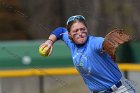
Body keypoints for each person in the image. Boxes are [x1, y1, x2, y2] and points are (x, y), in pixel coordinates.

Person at [39, 15, 136, 93]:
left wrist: (107, 44)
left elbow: (103, 44)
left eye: (82, 29)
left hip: (120, 89)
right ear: (69, 34)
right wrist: (49, 41)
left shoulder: (94, 42)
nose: (80, 33)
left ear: (87, 29)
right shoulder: (70, 41)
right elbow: (60, 30)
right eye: (75, 31)